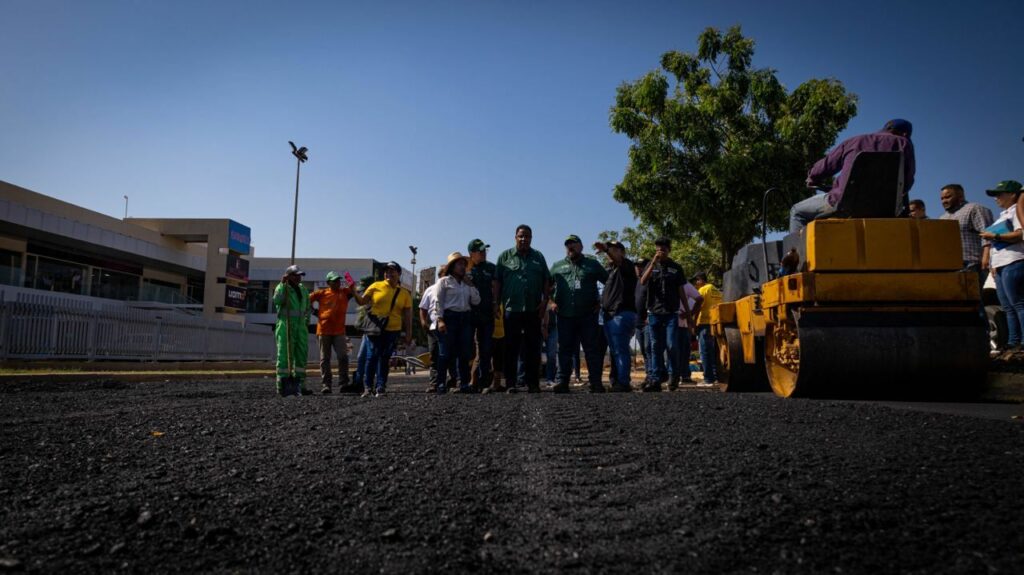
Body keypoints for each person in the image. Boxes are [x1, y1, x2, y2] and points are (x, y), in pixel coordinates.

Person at [790, 118, 916, 233]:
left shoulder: (855, 141)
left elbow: (825, 166)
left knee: (797, 211)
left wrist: (812, 177)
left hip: (843, 204)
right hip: (886, 210)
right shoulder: (905, 144)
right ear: (905, 134)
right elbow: (907, 183)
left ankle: (796, 250)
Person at [493, 224, 550, 393]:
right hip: (512, 309)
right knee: (511, 347)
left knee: (533, 347)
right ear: (515, 237)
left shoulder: (538, 256)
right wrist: (496, 303)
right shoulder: (504, 257)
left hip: (533, 309)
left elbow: (546, 279)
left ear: (531, 238)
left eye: (527, 236)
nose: (524, 239)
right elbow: (497, 281)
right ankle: (511, 384)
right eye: (521, 236)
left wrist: (545, 301)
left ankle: (533, 383)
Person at [549, 234, 609, 393]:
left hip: (588, 315)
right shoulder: (557, 266)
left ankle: (595, 383)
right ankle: (562, 382)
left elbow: (609, 282)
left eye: (574, 243)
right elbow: (546, 285)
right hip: (565, 315)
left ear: (581, 247)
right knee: (564, 350)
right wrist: (551, 301)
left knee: (591, 349)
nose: (570, 246)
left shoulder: (592, 264)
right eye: (568, 244)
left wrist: (601, 301)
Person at [639, 238, 693, 392]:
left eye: (663, 249)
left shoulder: (676, 268)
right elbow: (642, 281)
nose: (660, 252)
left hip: (671, 313)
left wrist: (689, 314)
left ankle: (673, 375)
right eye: (658, 249)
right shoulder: (651, 265)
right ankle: (656, 380)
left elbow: (681, 292)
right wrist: (652, 263)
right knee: (655, 346)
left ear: (669, 250)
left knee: (671, 345)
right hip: (654, 312)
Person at [980, 180, 1024, 356]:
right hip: (999, 265)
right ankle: (1013, 342)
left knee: (1018, 304)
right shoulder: (1001, 215)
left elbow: (1020, 234)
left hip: (1013, 260)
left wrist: (995, 235)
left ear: (1013, 195)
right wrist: (992, 263)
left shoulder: (1017, 211)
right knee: (1007, 307)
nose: (996, 198)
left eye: (1000, 194)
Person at [358, 262, 413, 397]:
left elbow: (407, 315)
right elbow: (362, 301)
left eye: (392, 271)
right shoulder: (375, 286)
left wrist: (408, 333)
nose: (388, 273)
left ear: (399, 274)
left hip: (393, 330)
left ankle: (381, 386)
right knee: (372, 356)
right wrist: (353, 291)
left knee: (385, 358)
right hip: (375, 328)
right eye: (386, 271)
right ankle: (368, 387)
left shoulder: (404, 293)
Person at [434, 252, 481, 393]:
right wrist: (440, 320)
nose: (462, 267)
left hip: (465, 318)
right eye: (459, 264)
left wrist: (471, 284)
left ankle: (463, 383)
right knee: (445, 353)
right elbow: (438, 302)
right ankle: (440, 383)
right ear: (452, 266)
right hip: (449, 318)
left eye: (464, 265)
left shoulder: (467, 284)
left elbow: (476, 301)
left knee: (464, 353)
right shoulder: (444, 281)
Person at [595, 240, 637, 392]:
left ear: (622, 253)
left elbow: (618, 261)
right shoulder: (610, 270)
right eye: (609, 250)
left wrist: (606, 249)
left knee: (620, 350)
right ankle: (618, 381)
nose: (610, 253)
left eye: (614, 249)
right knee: (614, 351)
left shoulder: (627, 265)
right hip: (609, 315)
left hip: (621, 314)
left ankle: (623, 382)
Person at [939, 183, 994, 289]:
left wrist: (986, 257)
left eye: (948, 197)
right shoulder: (943, 218)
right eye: (942, 198)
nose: (944, 201)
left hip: (974, 264)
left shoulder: (974, 209)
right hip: (952, 267)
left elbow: (988, 234)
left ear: (960, 196)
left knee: (978, 296)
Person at [308, 271, 354, 394]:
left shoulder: (344, 292)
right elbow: (306, 300)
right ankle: (326, 385)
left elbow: (354, 288)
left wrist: (348, 276)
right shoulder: (322, 293)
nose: (338, 283)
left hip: (339, 331)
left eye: (338, 280)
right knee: (325, 359)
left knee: (343, 356)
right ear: (328, 283)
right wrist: (314, 312)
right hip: (323, 330)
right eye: (334, 281)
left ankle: (343, 383)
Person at [273, 265, 311, 396]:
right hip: (286, 325)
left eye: (300, 275)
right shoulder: (282, 287)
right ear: (288, 276)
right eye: (296, 275)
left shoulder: (303, 289)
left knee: (301, 355)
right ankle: (282, 386)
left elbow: (308, 308)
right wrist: (282, 285)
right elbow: (277, 300)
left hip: (301, 327)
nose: (298, 278)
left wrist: (306, 322)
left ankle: (300, 386)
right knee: (284, 355)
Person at [467, 239, 497, 391]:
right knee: (467, 349)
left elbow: (496, 287)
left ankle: (484, 382)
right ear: (471, 253)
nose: (484, 253)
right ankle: (465, 381)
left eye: (485, 250)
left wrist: (495, 304)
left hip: (486, 314)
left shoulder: (491, 268)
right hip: (468, 315)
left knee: (485, 349)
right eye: (480, 251)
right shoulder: (465, 268)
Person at [691, 272, 722, 386]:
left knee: (705, 352)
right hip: (715, 323)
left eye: (696, 281)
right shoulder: (716, 290)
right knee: (714, 352)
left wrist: (693, 322)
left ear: (700, 280)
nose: (695, 284)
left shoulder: (703, 290)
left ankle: (708, 379)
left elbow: (697, 306)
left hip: (704, 323)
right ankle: (716, 377)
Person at [675, 280, 703, 388]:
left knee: (682, 352)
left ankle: (683, 376)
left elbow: (699, 300)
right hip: (675, 325)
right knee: (677, 352)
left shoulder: (686, 285)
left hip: (683, 326)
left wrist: (688, 314)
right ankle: (676, 376)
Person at [419, 277, 441, 393]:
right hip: (433, 327)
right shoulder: (431, 290)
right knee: (434, 354)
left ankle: (452, 381)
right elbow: (423, 308)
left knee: (451, 355)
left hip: (451, 327)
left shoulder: (455, 289)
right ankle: (434, 383)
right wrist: (423, 322)